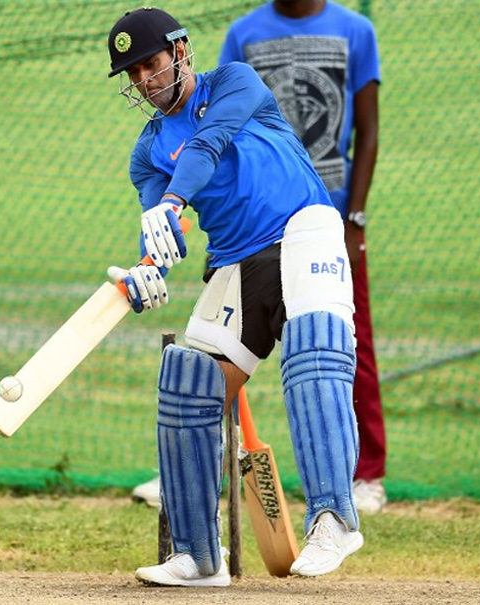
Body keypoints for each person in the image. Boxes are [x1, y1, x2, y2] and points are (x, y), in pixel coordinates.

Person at [107, 7, 362, 587]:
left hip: (303, 227)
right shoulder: (146, 154)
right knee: (187, 383)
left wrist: (172, 204)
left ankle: (333, 517)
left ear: (179, 51)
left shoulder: (235, 81)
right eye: (132, 74)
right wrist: (149, 267)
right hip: (235, 262)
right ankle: (198, 556)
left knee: (313, 354)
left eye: (149, 64)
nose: (144, 81)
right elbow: (161, 228)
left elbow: (209, 144)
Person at [219, 0, 387, 514]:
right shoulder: (243, 34)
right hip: (258, 223)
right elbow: (225, 133)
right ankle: (204, 459)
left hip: (328, 220)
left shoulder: (355, 30)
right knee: (222, 346)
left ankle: (366, 475)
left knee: (347, 346)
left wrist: (355, 218)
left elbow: (369, 130)